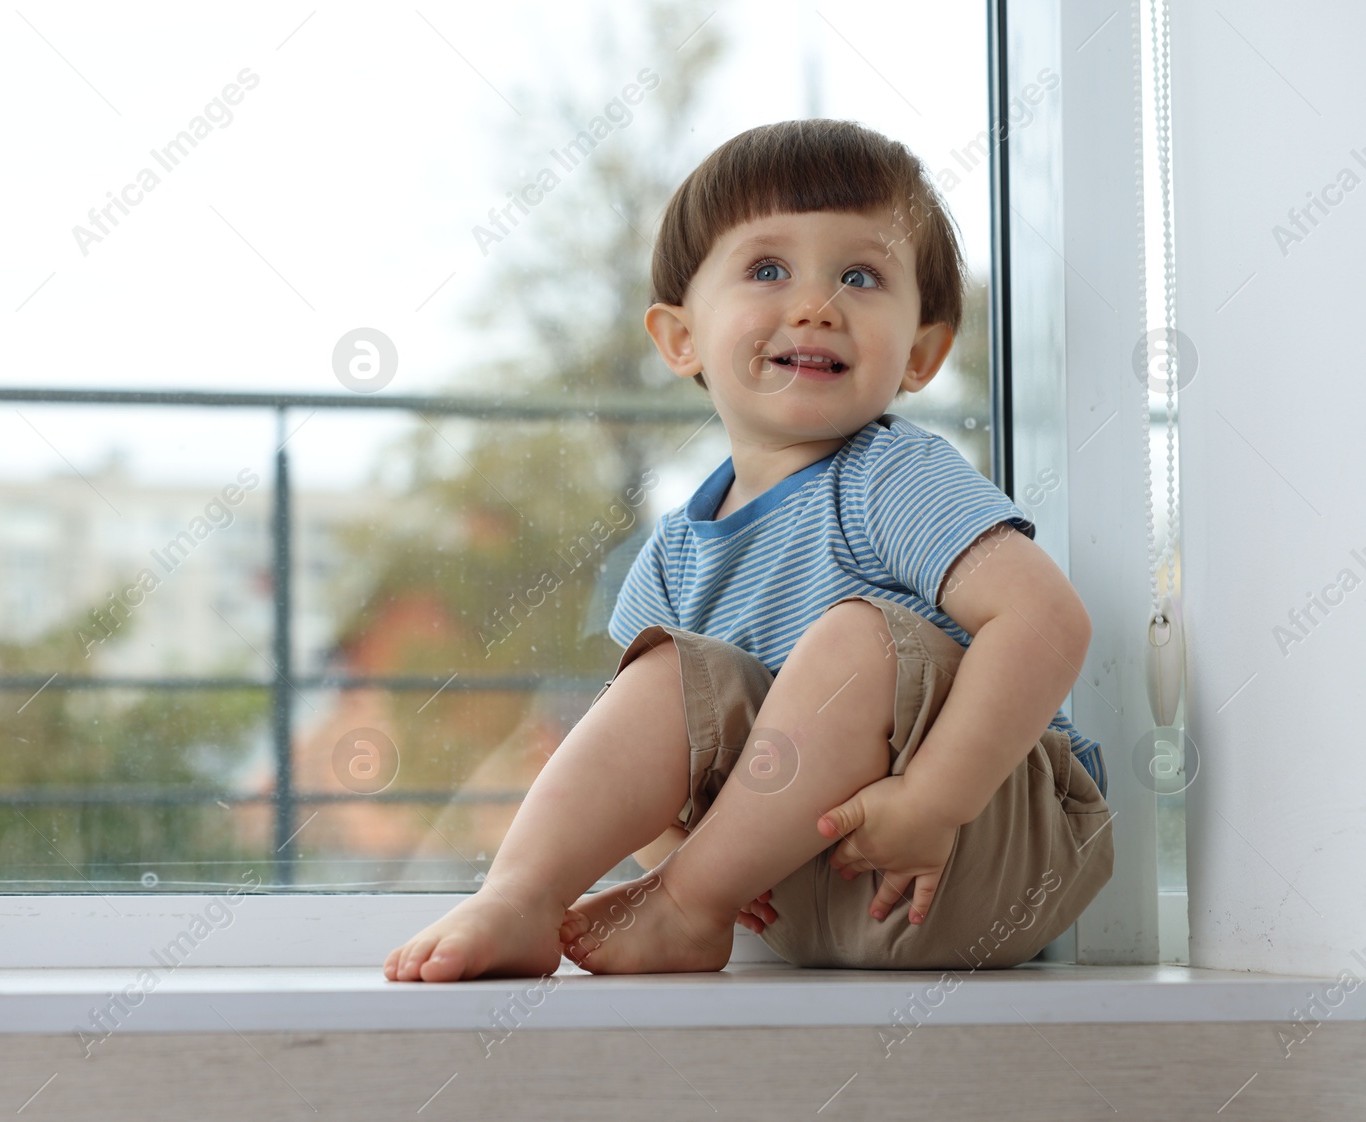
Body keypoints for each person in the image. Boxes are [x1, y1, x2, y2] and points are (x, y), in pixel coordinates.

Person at [383, 118, 1114, 983]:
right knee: (657, 677)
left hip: (970, 844)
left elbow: (1046, 621)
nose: (815, 304)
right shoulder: (673, 552)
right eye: (768, 269)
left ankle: (687, 904)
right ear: (680, 336)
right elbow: (654, 752)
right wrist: (682, 856)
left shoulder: (890, 475)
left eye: (861, 275)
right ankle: (524, 896)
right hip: (798, 890)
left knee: (852, 641)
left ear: (921, 353)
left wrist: (934, 799)